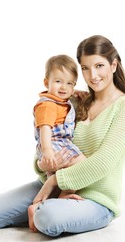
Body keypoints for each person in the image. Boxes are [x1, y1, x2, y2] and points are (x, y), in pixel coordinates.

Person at [0, 35, 125, 237]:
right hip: (52, 185)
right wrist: (42, 165)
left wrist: (55, 181)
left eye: (99, 66)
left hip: (95, 198)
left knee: (46, 217)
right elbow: (51, 139)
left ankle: (46, 209)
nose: (93, 75)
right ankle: (48, 205)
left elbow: (104, 163)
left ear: (113, 65)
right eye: (85, 68)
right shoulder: (76, 101)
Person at [29, 55, 86, 230]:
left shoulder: (60, 102)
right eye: (59, 81)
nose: (64, 87)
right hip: (54, 144)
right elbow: (44, 128)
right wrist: (47, 151)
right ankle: (64, 198)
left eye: (70, 83)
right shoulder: (47, 105)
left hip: (55, 145)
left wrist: (78, 94)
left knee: (55, 181)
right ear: (47, 83)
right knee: (82, 166)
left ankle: (37, 206)